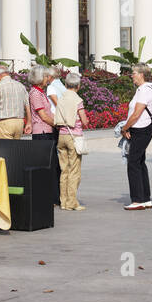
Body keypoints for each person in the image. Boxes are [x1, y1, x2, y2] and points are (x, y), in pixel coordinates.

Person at [120, 66, 152, 210]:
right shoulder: (142, 90)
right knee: (140, 162)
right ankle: (145, 198)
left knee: (133, 163)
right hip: (140, 129)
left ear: (141, 75)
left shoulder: (144, 91)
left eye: (134, 73)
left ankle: (137, 200)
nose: (131, 76)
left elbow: (136, 114)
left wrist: (125, 128)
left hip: (141, 130)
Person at [52, 72, 89, 211]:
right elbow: (84, 120)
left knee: (64, 170)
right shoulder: (78, 100)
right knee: (74, 170)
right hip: (74, 136)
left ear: (66, 84)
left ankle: (63, 202)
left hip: (61, 135)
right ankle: (72, 202)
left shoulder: (60, 98)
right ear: (78, 86)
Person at [27, 65, 60, 187]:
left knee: (53, 164)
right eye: (46, 76)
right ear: (39, 78)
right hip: (41, 132)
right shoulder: (35, 93)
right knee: (46, 165)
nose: (48, 78)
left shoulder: (41, 92)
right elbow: (43, 116)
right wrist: (57, 124)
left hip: (47, 131)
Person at [0, 65, 29, 139]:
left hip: (5, 122)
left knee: (5, 148)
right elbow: (27, 105)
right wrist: (29, 122)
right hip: (19, 122)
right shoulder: (20, 86)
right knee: (15, 149)